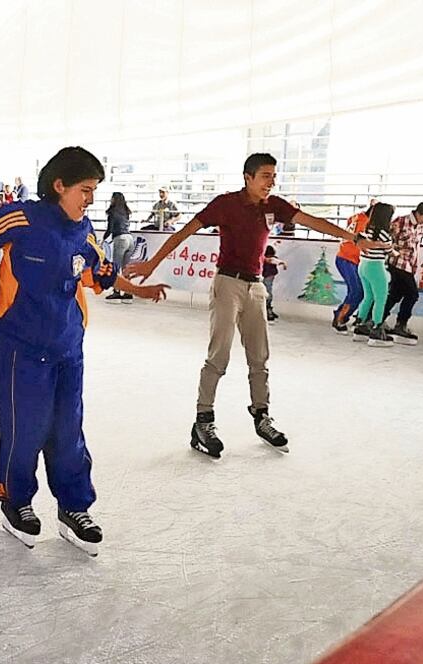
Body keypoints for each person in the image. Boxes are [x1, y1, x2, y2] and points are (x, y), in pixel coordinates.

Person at [0, 147, 168, 555]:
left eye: (95, 191)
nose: (90, 199)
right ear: (59, 185)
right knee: (23, 430)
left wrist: (140, 289)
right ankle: (16, 502)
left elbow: (102, 272)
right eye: (85, 190)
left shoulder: (83, 231)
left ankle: (74, 507)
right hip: (22, 348)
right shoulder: (24, 218)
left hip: (68, 349)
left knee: (69, 432)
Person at [126, 153, 385, 459]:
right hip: (227, 284)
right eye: (265, 176)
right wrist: (151, 264)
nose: (270, 182)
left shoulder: (275, 205)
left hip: (256, 287)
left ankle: (262, 417)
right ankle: (203, 421)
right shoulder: (225, 204)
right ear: (247, 177)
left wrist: (353, 237)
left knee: (259, 357)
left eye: (273, 176)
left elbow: (312, 222)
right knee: (218, 356)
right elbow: (184, 232)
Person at [380, 201, 423, 345]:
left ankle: (377, 320)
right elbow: (386, 240)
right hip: (397, 263)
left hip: (409, 265)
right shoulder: (400, 222)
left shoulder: (421, 225)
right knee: (412, 294)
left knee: (395, 294)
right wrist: (393, 254)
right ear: (420, 213)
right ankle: (401, 324)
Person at [351, 203, 396, 347]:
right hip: (376, 267)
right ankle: (377, 329)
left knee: (368, 296)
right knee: (381, 298)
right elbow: (390, 249)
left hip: (363, 265)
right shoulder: (383, 233)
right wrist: (394, 251)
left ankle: (360, 326)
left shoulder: (367, 230)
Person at [332, 203, 372, 333]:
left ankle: (342, 314)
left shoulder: (357, 217)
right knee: (357, 291)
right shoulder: (365, 223)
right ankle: (340, 317)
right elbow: (362, 241)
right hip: (348, 259)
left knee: (357, 291)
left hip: (347, 258)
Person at [103, 191, 134, 302]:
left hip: (120, 239)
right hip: (130, 239)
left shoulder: (112, 212)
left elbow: (110, 230)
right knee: (126, 268)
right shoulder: (126, 211)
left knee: (116, 267)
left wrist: (103, 240)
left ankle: (116, 292)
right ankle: (128, 293)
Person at [261, 246, 287, 322]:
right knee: (268, 293)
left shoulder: (265, 258)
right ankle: (267, 309)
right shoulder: (268, 259)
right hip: (267, 277)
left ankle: (268, 308)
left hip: (268, 276)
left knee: (268, 292)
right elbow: (273, 260)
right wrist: (283, 263)